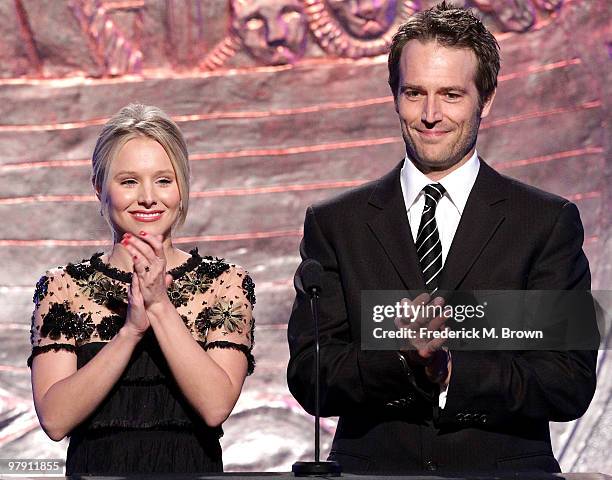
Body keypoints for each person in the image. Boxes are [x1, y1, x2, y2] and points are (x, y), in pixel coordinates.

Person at [287, 2, 596, 474]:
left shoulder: (545, 224)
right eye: (415, 93)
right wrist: (401, 360)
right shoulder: (336, 225)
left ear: (485, 99)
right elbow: (311, 375)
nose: (430, 115)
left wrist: (452, 372)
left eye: (451, 94)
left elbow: (567, 381)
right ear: (394, 96)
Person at [28, 104, 256, 474]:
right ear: (100, 187)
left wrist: (160, 306)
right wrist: (131, 331)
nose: (148, 197)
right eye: (129, 181)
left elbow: (215, 406)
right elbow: (55, 420)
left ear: (182, 188)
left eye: (164, 180)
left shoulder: (224, 284)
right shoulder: (63, 288)